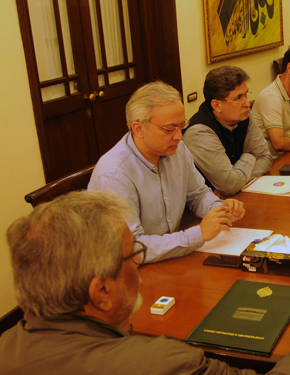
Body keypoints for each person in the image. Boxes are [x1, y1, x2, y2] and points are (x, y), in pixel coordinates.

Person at [0, 190, 290, 375]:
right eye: (133, 256)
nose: (140, 263)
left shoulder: (0, 354)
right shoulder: (161, 362)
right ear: (102, 292)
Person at [88, 81, 245, 263]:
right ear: (139, 129)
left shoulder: (176, 149)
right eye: (169, 129)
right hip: (128, 269)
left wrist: (219, 209)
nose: (179, 136)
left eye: (181, 126)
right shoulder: (115, 174)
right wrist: (199, 234)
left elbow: (198, 194)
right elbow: (133, 248)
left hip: (169, 257)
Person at [183, 66, 272, 195]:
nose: (247, 103)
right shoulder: (199, 133)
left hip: (237, 196)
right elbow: (229, 185)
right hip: (207, 209)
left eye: (246, 94)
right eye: (238, 98)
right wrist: (249, 156)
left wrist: (237, 181)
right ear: (217, 105)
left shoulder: (244, 115)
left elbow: (265, 157)